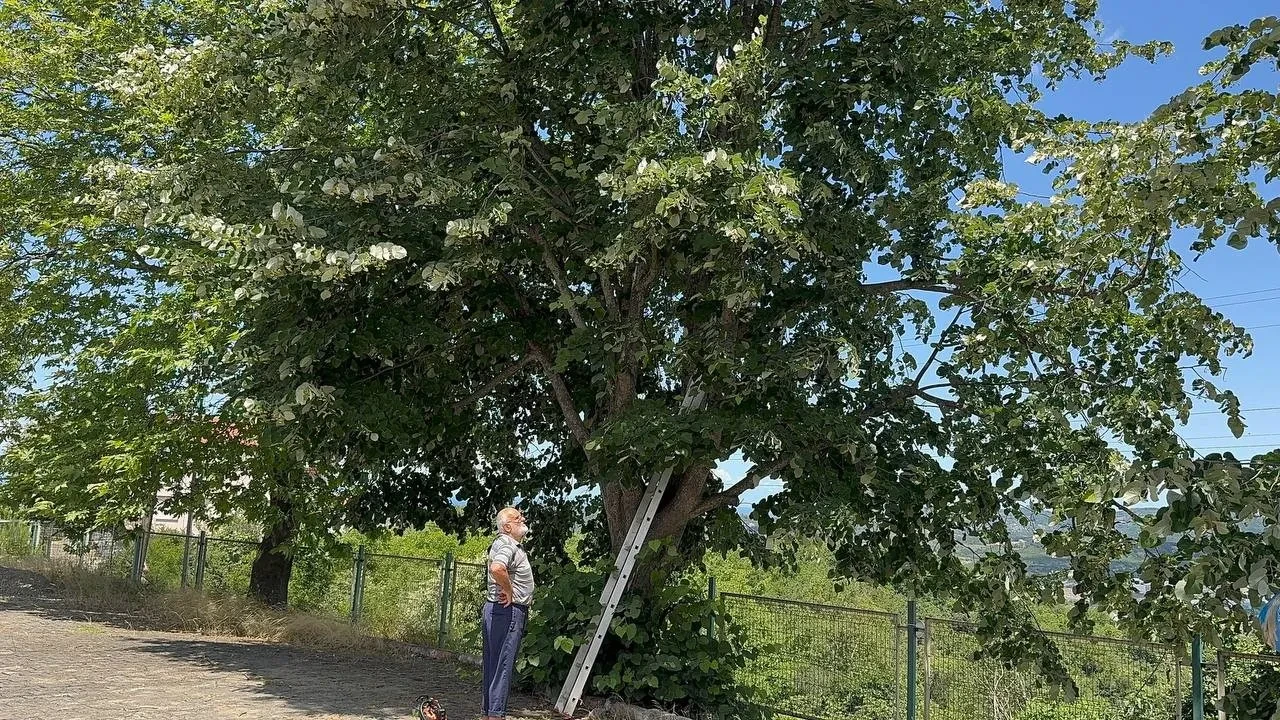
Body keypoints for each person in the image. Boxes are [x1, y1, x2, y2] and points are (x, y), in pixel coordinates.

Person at [482, 507, 534, 720]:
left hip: (496, 611)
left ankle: (489, 714)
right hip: (507, 611)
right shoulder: (507, 544)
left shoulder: (504, 544)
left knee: (494, 665)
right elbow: (497, 568)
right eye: (516, 517)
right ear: (507, 527)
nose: (522, 518)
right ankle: (496, 715)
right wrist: (508, 589)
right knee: (502, 666)